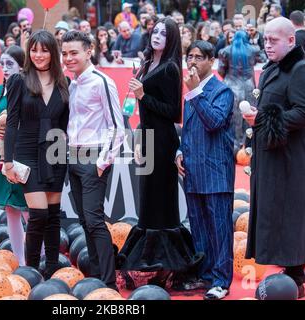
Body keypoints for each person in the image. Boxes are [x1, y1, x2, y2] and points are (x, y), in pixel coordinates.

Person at [118, 17, 203, 289]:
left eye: (164, 33)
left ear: (172, 39)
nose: (157, 36)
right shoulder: (147, 63)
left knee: (160, 201)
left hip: (163, 140)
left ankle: (168, 267)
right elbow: (145, 111)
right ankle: (152, 265)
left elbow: (171, 113)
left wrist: (143, 95)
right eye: (155, 31)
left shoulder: (170, 69)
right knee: (148, 201)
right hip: (146, 135)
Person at [243, 17, 305, 299]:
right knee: (275, 212)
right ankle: (293, 273)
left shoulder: (301, 70)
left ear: (291, 40)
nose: (267, 45)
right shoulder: (272, 69)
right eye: (265, 40)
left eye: (273, 40)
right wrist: (257, 115)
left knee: (290, 215)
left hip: (292, 159)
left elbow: (304, 113)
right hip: (273, 155)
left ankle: (296, 276)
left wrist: (262, 117)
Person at [61, 30, 125, 290]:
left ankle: (108, 284)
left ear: (89, 51)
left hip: (93, 157)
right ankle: (97, 276)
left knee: (95, 220)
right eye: (64, 53)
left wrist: (102, 162)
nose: (68, 58)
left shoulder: (102, 81)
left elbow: (117, 127)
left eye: (74, 52)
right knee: (85, 221)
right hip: (72, 156)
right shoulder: (72, 83)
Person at [4, 30, 69, 279]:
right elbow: (11, 123)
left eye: (44, 50)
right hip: (27, 153)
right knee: (38, 214)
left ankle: (51, 269)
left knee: (53, 215)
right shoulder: (18, 81)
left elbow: (65, 124)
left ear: (53, 52)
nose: (39, 55)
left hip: (54, 153)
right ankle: (30, 273)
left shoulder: (65, 82)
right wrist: (8, 161)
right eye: (34, 49)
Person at [176, 40, 235, 300]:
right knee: (199, 228)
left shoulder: (222, 92)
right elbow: (188, 130)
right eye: (190, 56)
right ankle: (206, 275)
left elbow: (213, 123)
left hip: (216, 173)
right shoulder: (191, 93)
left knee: (220, 230)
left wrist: (195, 92)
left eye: (199, 57)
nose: (192, 62)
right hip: (193, 172)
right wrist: (179, 152)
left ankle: (221, 281)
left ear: (211, 61)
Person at [0, 45, 28, 266]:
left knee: (28, 209)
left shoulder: (29, 88)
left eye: (10, 64)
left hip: (23, 154)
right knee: (10, 209)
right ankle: (20, 261)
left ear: (21, 66)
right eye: (2, 64)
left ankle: (37, 258)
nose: (4, 68)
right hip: (2, 153)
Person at [218, 30, 263, 151]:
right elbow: (263, 59)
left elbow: (221, 70)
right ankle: (247, 146)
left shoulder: (225, 51)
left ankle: (234, 146)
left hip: (231, 85)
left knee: (233, 118)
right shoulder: (253, 49)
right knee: (249, 116)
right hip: (248, 86)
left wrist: (227, 77)